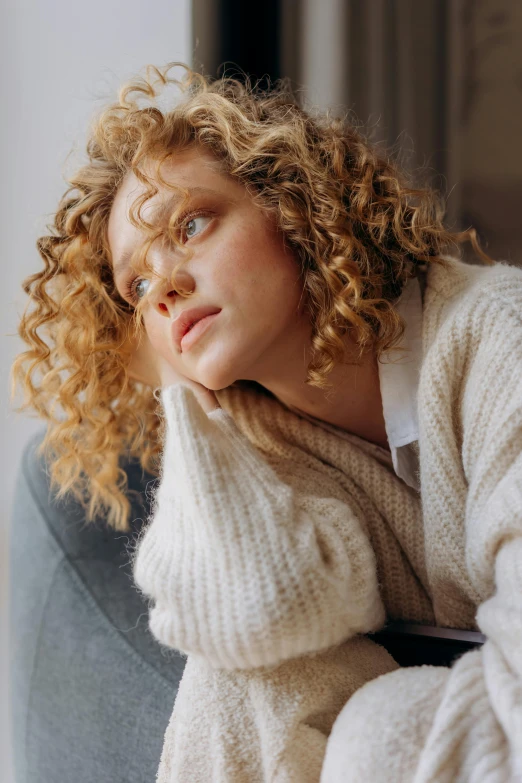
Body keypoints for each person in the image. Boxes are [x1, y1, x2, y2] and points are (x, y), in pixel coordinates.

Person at [10, 61, 522, 782]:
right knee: (238, 683)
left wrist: (374, 738)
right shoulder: (266, 439)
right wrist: (191, 404)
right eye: (138, 286)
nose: (167, 288)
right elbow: (252, 619)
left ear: (291, 202)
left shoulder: (499, 339)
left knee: (376, 733)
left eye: (191, 224)